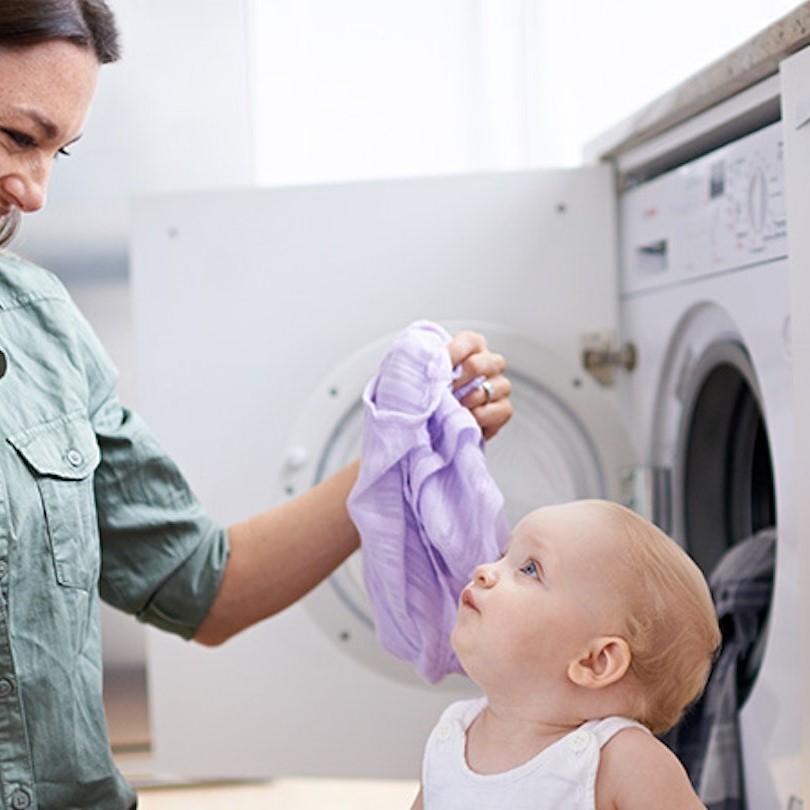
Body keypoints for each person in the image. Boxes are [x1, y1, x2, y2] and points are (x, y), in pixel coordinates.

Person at [0, 3, 513, 808]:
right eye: (15, 137)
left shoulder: (43, 326)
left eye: (57, 151)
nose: (33, 193)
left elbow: (206, 586)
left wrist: (404, 450)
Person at [411, 499, 721, 810]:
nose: (484, 571)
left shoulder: (621, 760)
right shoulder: (451, 738)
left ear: (595, 661)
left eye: (529, 569)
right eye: (503, 556)